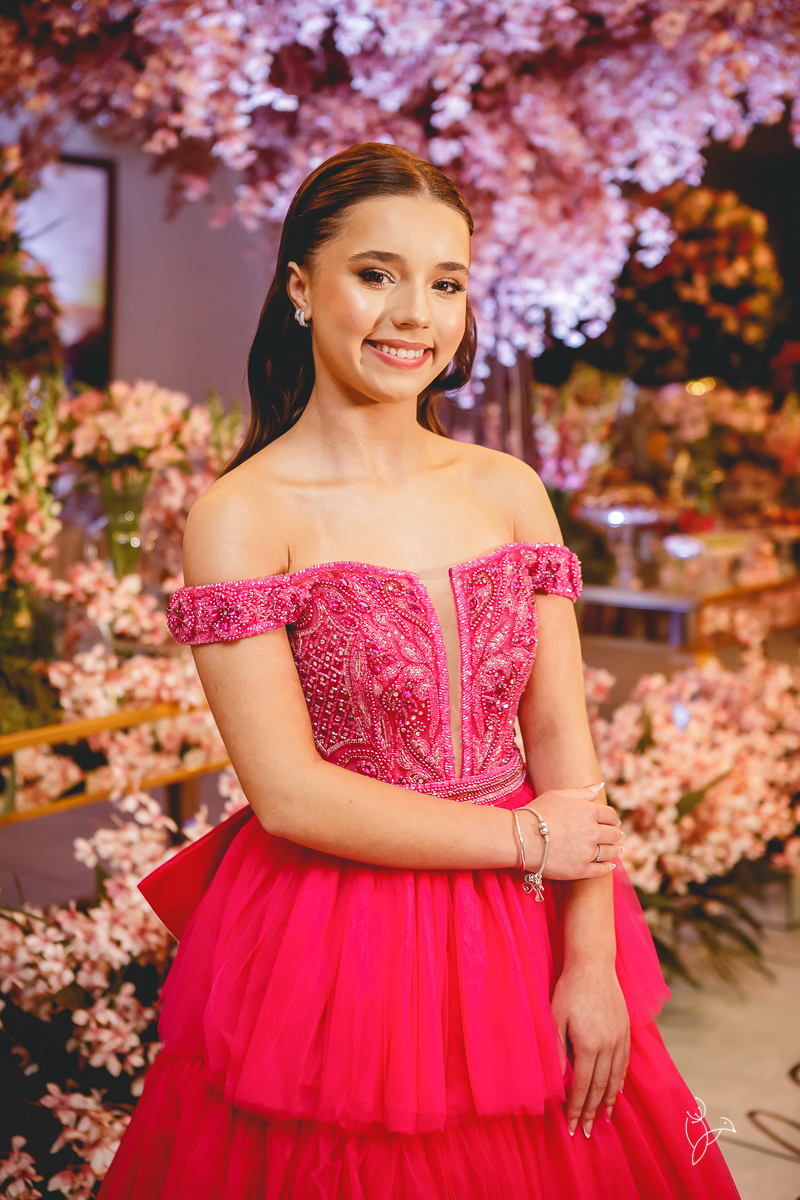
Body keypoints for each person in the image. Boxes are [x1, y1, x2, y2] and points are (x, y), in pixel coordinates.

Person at [100, 144, 741, 1200]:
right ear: (301, 288)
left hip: (526, 923)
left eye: (446, 284)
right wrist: (528, 839)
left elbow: (561, 743)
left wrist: (591, 961)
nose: (415, 315)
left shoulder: (508, 490)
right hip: (337, 935)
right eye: (376, 274)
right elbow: (288, 793)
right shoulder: (242, 515)